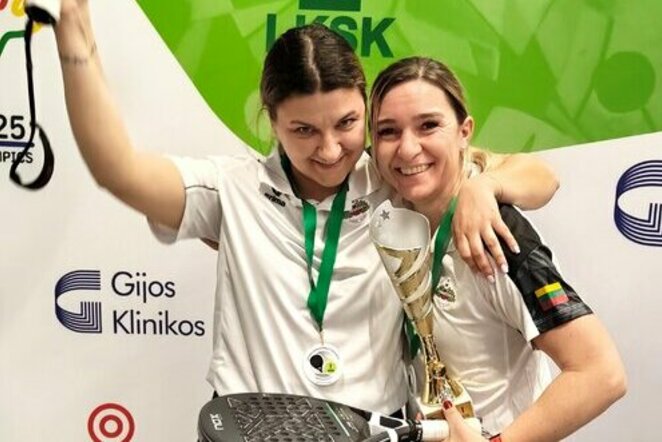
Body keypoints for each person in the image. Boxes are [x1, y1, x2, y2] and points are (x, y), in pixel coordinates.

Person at [52, 0, 559, 416]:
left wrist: (483, 187)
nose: (330, 149)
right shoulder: (233, 189)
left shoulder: (394, 176)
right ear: (271, 121)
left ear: (366, 109)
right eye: (303, 130)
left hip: (372, 428)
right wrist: (75, 36)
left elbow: (541, 176)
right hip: (251, 428)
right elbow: (118, 170)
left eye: (346, 123)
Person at [369, 56, 626, 439]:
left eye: (428, 125)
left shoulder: (498, 235)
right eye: (388, 131)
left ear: (464, 131)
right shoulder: (389, 204)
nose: (407, 149)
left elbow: (602, 373)